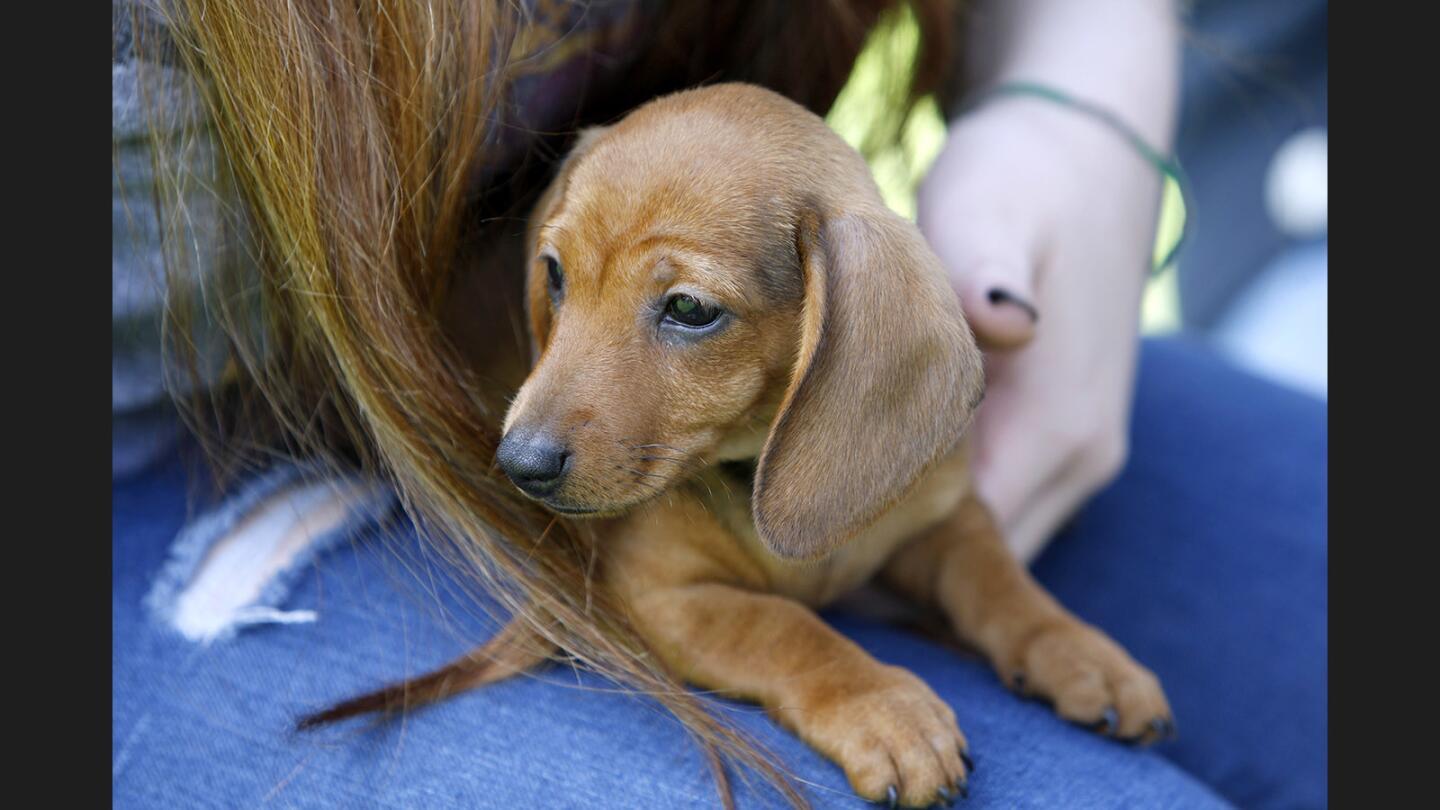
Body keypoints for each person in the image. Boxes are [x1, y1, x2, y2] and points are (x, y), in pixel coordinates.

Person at [112, 1, 1326, 807]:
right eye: (564, 281)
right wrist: (827, 673)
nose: (537, 426)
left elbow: (938, 522)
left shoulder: (874, 377)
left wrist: (1076, 98)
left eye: (682, 311)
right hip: (178, 452)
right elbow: (666, 590)